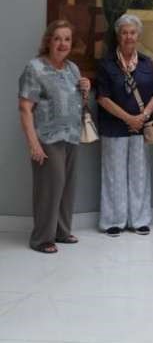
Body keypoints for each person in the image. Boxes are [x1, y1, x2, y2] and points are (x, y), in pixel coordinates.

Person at [18, 20, 91, 253]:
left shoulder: (72, 69)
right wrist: (33, 144)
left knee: (66, 187)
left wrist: (85, 90)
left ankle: (61, 231)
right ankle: (41, 239)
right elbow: (25, 108)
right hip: (47, 138)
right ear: (48, 41)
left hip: (71, 136)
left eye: (67, 39)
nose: (62, 43)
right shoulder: (35, 68)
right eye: (57, 38)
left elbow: (77, 103)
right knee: (49, 188)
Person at [95, 14, 153, 237]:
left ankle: (139, 220)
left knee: (140, 174)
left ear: (138, 35)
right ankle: (113, 221)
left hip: (141, 127)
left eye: (132, 32)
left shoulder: (146, 63)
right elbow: (102, 98)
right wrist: (128, 118)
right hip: (114, 128)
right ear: (118, 36)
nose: (129, 37)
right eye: (124, 33)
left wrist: (143, 116)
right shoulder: (106, 64)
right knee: (114, 174)